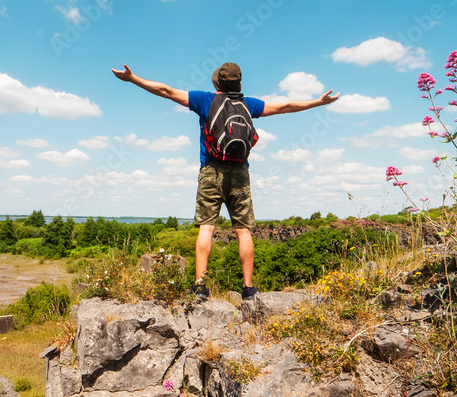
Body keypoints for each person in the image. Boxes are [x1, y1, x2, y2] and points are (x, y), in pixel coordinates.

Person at [111, 61, 339, 301]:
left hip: (211, 170)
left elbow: (166, 91)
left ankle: (200, 286)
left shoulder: (205, 100)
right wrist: (317, 102)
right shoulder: (247, 104)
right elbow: (284, 106)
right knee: (243, 231)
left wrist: (133, 78)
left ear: (217, 82)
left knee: (207, 228)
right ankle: (249, 289)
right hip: (240, 172)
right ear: (238, 82)